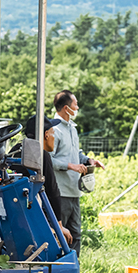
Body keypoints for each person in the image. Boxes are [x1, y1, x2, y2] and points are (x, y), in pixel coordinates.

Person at [49, 91, 104, 254]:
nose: (78, 107)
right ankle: (58, 272)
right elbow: (48, 159)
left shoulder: (72, 128)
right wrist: (71, 166)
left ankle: (74, 272)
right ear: (67, 108)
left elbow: (76, 153)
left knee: (76, 235)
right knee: (60, 235)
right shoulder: (54, 129)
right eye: (75, 104)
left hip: (74, 191)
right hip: (60, 192)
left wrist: (88, 160)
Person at [21, 115, 74, 248]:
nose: (54, 137)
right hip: (34, 216)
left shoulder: (17, 151)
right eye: (53, 133)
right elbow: (52, 190)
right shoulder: (40, 155)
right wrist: (59, 226)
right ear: (46, 135)